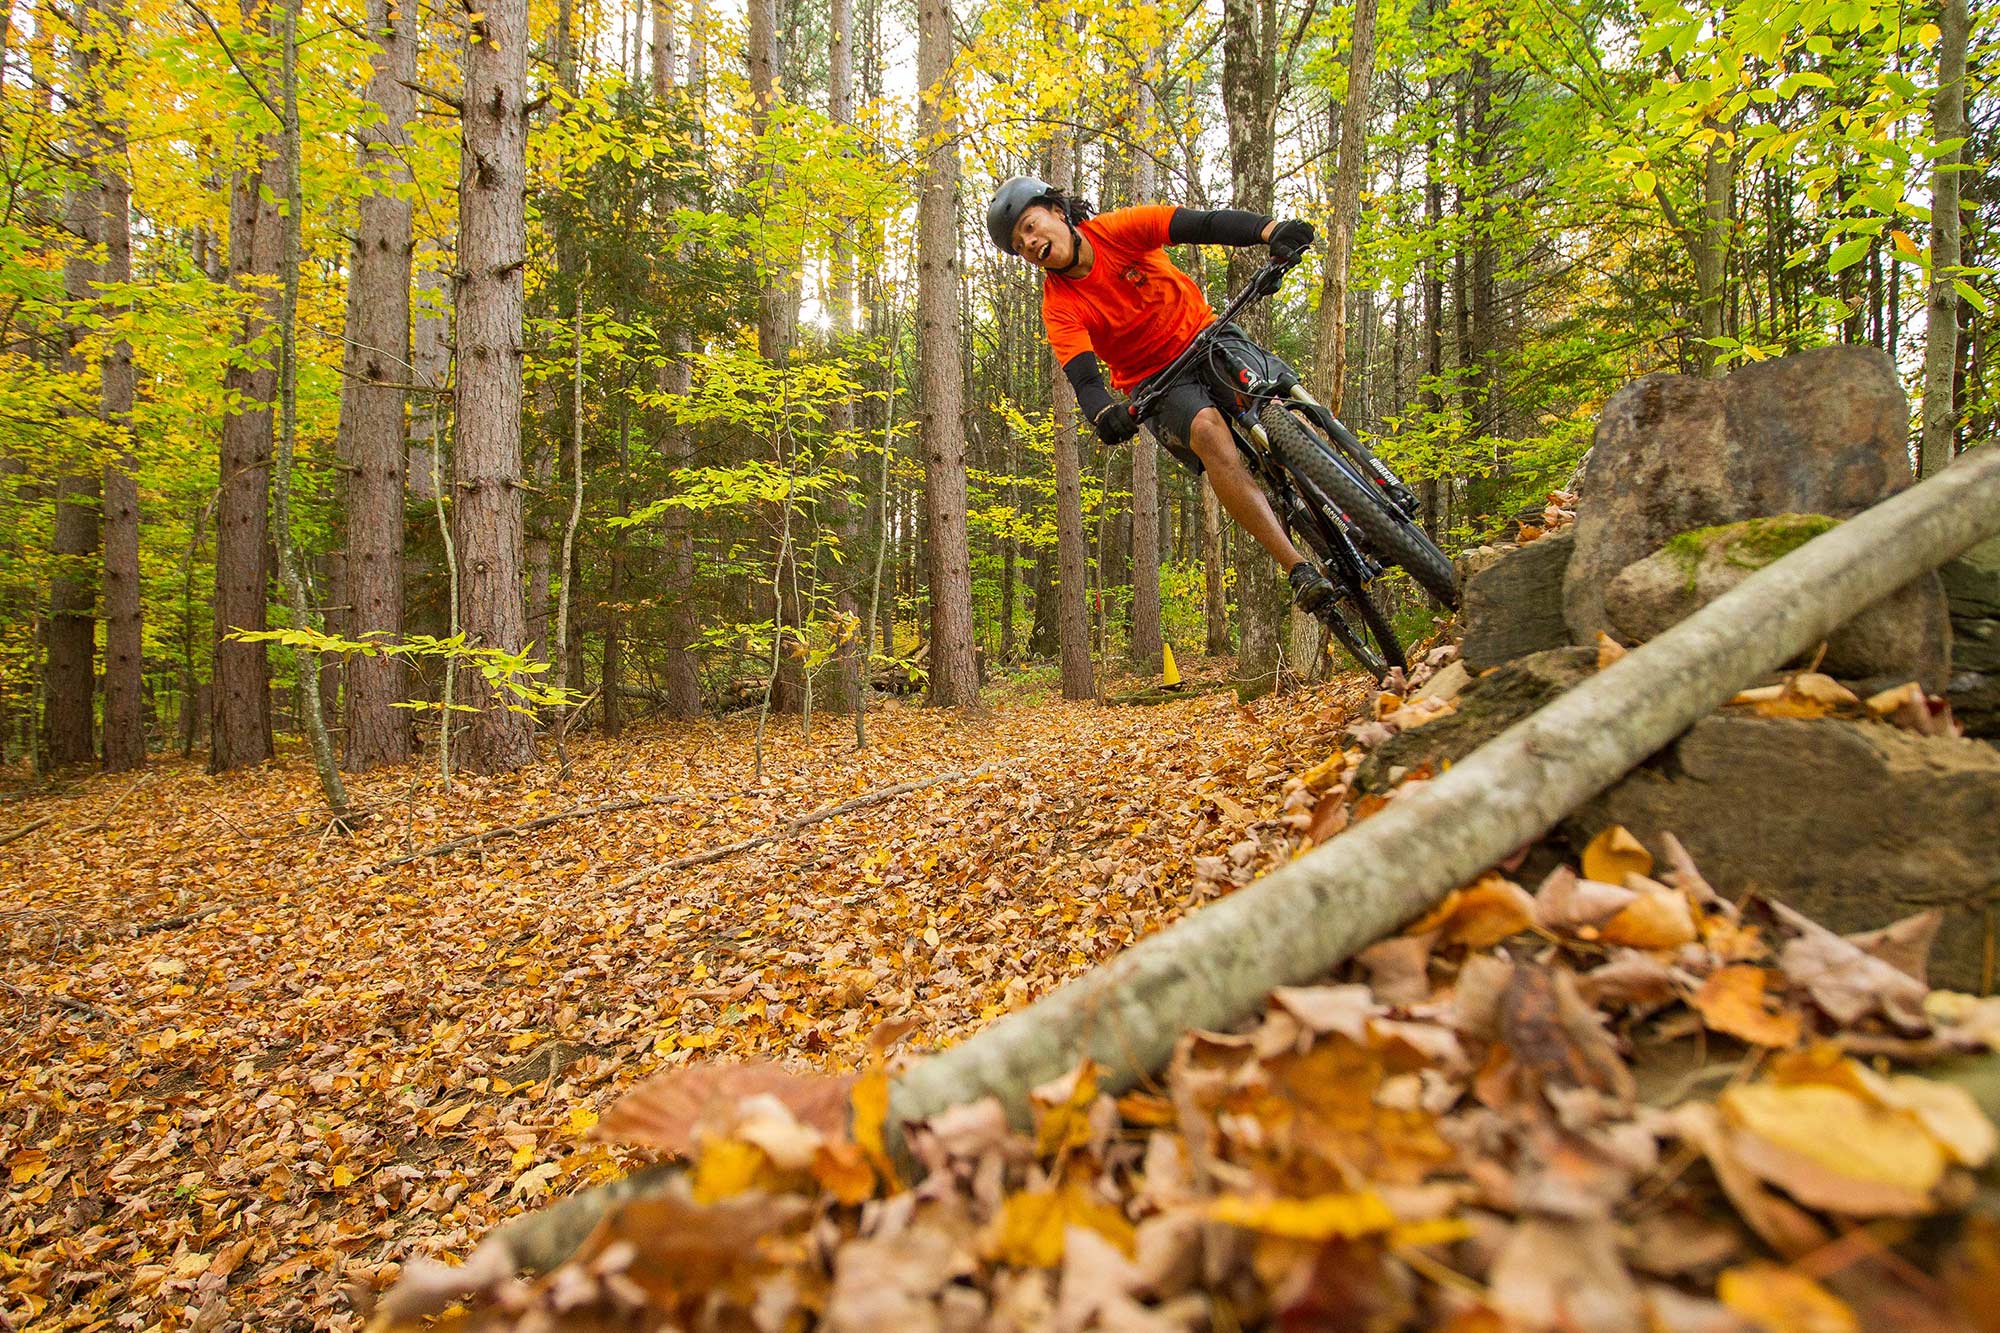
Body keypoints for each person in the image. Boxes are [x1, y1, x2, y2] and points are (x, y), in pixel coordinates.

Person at [986, 174, 1336, 616]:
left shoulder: (1119, 230)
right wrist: (1102, 417)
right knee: (1209, 433)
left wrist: (1270, 231)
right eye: (1020, 244)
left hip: (1205, 334)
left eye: (1031, 227)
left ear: (1057, 212)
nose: (1030, 243)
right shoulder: (1059, 305)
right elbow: (1086, 381)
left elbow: (1203, 225)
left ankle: (1350, 483)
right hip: (1155, 381)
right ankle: (1299, 569)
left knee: (1274, 399)